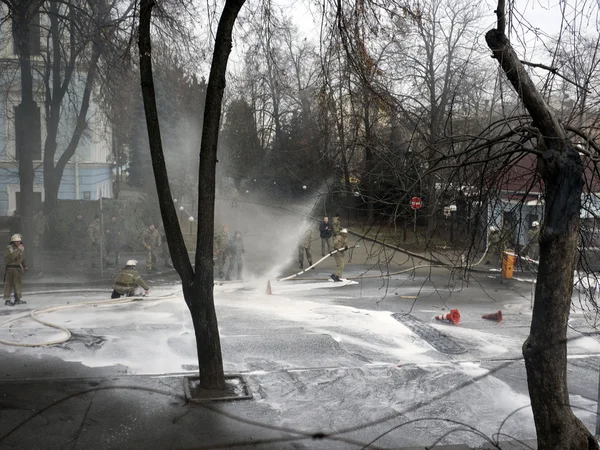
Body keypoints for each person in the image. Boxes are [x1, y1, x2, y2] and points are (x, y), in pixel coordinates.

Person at [4, 234, 28, 306]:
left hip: (17, 269)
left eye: (19, 241)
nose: (19, 243)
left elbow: (22, 258)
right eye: (17, 241)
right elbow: (12, 257)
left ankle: (17, 299)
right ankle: (7, 300)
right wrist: (19, 250)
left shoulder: (20, 248)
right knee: (9, 284)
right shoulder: (9, 248)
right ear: (13, 242)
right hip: (10, 268)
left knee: (18, 284)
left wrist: (25, 266)